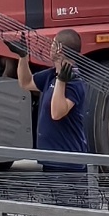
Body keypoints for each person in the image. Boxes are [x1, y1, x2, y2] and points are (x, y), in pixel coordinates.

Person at [15, 29, 90, 172]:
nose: (50, 47)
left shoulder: (74, 82)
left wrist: (61, 81)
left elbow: (56, 113)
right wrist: (23, 57)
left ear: (59, 49)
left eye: (53, 43)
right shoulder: (51, 75)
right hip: (51, 160)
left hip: (68, 164)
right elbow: (26, 83)